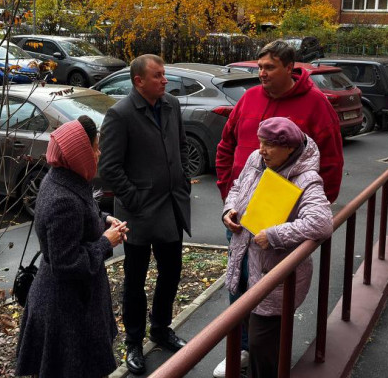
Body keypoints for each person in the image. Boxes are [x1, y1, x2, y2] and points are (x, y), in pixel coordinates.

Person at [212, 40, 342, 377]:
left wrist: (298, 215)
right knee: (238, 283)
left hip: (280, 227)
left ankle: (265, 355)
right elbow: (226, 146)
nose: (262, 73)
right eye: (259, 67)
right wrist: (229, 198)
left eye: (269, 67)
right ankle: (242, 349)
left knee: (270, 296)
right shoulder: (249, 98)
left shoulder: (315, 103)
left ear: (288, 67)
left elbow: (330, 164)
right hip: (241, 221)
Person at [99, 54, 192, 375]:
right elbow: (109, 167)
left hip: (171, 207)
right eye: (158, 75)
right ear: (139, 81)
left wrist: (182, 180)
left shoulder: (171, 105)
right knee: (134, 281)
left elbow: (181, 146)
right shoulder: (120, 114)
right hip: (137, 214)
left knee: (171, 272)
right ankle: (134, 342)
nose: (165, 80)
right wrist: (134, 199)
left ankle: (161, 328)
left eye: (164, 74)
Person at [15, 116, 129, 378]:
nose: (99, 153)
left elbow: (81, 219)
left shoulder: (63, 178)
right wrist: (106, 241)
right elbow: (66, 263)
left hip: (76, 302)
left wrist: (103, 220)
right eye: (95, 148)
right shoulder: (62, 199)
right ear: (80, 153)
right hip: (67, 310)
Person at [221, 117, 333, 378]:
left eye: (269, 145)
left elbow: (321, 223)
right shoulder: (256, 159)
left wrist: (274, 235)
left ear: (290, 148)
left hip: (273, 277)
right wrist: (229, 210)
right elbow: (237, 186)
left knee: (262, 345)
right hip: (244, 262)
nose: (261, 150)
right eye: (260, 142)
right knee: (251, 332)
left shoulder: (306, 179)